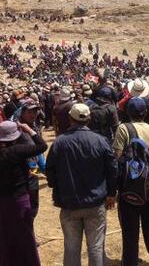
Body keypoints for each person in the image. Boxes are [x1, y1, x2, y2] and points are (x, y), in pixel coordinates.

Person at [46, 103, 117, 266]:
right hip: (95, 202)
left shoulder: (60, 142)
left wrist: (58, 187)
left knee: (71, 247)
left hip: (69, 203)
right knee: (96, 247)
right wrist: (111, 193)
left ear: (70, 119)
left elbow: (50, 170)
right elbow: (112, 169)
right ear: (89, 119)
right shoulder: (101, 141)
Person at [112, 97, 149, 266]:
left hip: (130, 188)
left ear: (128, 112)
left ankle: (130, 262)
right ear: (145, 113)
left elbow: (117, 158)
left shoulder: (123, 129)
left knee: (130, 230)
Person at [0, 121, 47, 266]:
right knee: (25, 236)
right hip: (19, 199)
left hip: (2, 201)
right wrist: (29, 130)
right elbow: (42, 146)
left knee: (5, 237)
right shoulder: (18, 151)